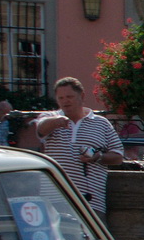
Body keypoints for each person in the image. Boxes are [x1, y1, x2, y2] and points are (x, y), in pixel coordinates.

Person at [34, 77, 124, 214]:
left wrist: (98, 156)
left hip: (91, 201)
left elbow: (118, 156)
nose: (65, 101)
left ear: (81, 96)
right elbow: (41, 129)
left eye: (69, 97)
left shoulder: (101, 123)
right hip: (55, 198)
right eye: (61, 98)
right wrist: (56, 121)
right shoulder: (50, 116)